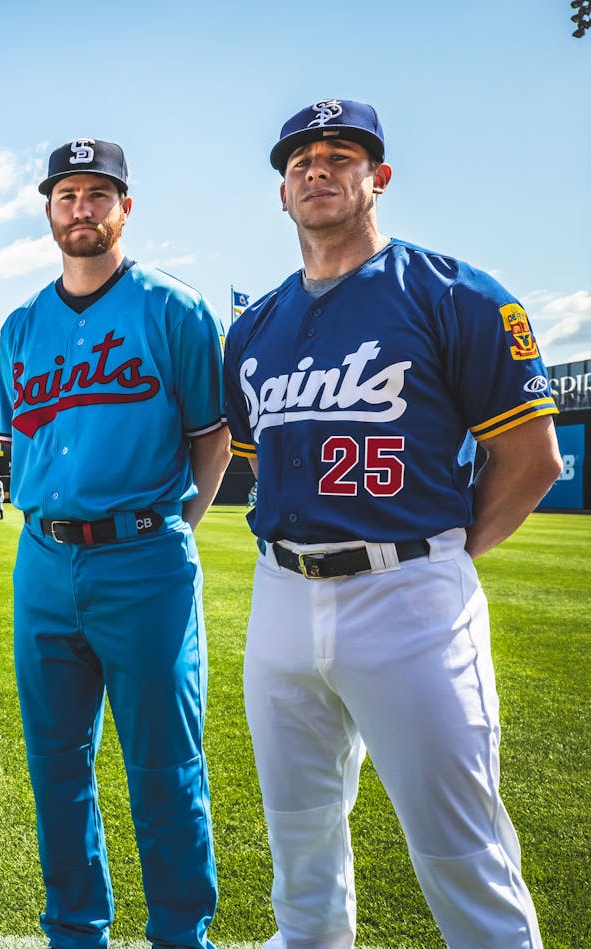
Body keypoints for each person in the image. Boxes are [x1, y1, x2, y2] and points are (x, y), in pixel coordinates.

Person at [224, 98, 561, 949]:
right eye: (300, 161)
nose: (318, 170)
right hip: (283, 591)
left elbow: (533, 462)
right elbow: (262, 455)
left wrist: (436, 556)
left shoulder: (455, 294)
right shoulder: (254, 326)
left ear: (377, 178)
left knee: (460, 843)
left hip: (412, 592)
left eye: (341, 155)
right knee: (298, 832)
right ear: (282, 192)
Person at [0, 138, 231, 949]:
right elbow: (21, 439)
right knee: (57, 770)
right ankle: (75, 932)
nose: (82, 209)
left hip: (145, 558)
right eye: (67, 195)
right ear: (50, 210)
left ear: (125, 207)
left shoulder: (175, 309)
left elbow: (212, 439)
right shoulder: (22, 324)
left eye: (100, 194)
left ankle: (179, 935)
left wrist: (167, 533)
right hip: (44, 560)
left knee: (166, 770)